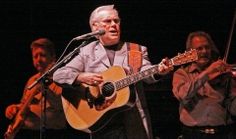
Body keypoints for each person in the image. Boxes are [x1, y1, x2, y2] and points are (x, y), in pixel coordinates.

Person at [53, 4, 173, 139]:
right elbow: (58, 75)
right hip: (102, 123)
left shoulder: (135, 49)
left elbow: (146, 72)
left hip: (133, 122)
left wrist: (159, 71)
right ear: (95, 27)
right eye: (107, 21)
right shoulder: (86, 51)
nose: (114, 25)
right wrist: (80, 77)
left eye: (116, 21)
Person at [172, 31, 236, 139]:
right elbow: (183, 95)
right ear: (189, 53)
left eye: (207, 47)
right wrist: (206, 74)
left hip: (222, 134)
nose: (204, 51)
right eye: (199, 48)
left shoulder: (223, 74)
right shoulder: (182, 73)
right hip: (192, 134)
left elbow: (233, 109)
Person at [4, 38, 68, 139]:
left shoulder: (61, 78)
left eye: (42, 55)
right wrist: (14, 107)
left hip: (53, 134)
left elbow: (62, 108)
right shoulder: (32, 80)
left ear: (53, 57)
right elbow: (24, 104)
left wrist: (44, 88)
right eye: (35, 56)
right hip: (28, 133)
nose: (38, 59)